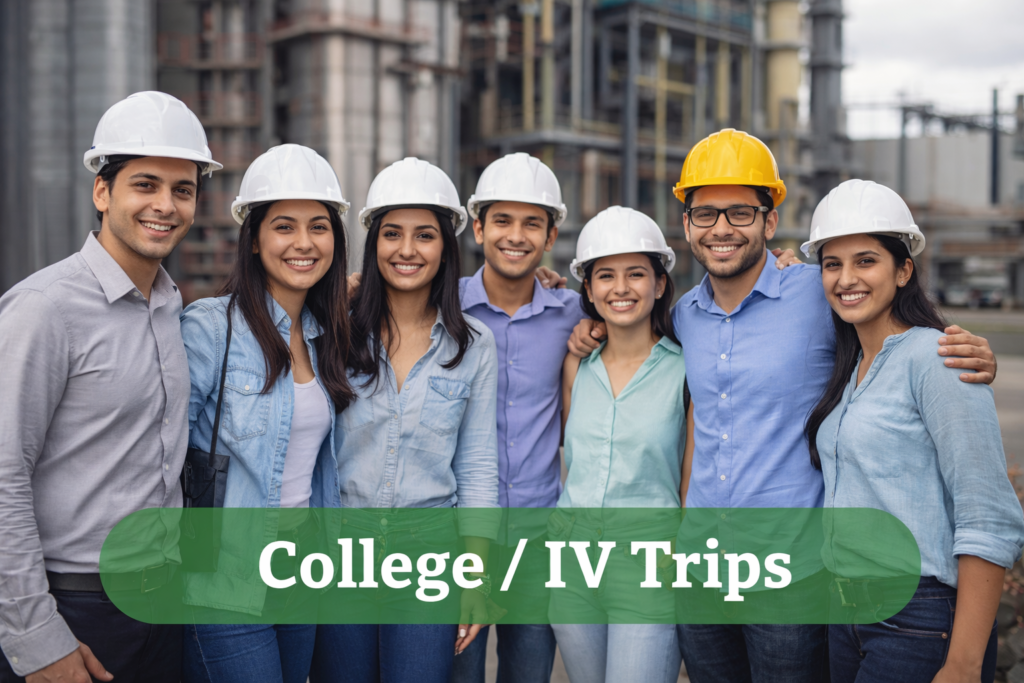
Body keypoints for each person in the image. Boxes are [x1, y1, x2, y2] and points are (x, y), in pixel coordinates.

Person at [565, 129, 999, 683]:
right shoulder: (681, 321)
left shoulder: (815, 295)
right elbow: (629, 330)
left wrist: (971, 351)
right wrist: (583, 323)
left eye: (741, 212)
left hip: (789, 578)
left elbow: (887, 320)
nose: (722, 228)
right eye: (705, 214)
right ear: (687, 227)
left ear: (770, 222)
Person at [0, 92, 221, 683]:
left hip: (163, 604)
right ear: (103, 192)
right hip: (75, 606)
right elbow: (3, 476)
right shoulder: (45, 309)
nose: (165, 206)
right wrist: (37, 639)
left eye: (183, 189)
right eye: (145, 185)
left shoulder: (171, 308)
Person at [801, 180, 1024, 683]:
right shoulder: (853, 365)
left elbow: (989, 517)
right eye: (831, 264)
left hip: (918, 621)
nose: (845, 278)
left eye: (865, 261)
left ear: (904, 270)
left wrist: (964, 665)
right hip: (847, 615)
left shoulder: (937, 359)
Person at [310, 157, 499, 683]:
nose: (408, 250)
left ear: (446, 248)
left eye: (424, 236)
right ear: (373, 245)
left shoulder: (475, 346)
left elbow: (479, 469)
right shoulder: (333, 332)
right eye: (392, 234)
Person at [178, 144, 353, 683]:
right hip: (225, 579)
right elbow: (157, 459)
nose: (304, 243)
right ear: (253, 239)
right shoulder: (210, 329)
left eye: (318, 227)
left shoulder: (328, 336)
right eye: (284, 226)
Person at [449, 152, 580, 683]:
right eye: (502, 220)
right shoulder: (444, 307)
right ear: (478, 227)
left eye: (532, 223)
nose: (516, 235)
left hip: (537, 535)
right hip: (457, 534)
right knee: (455, 674)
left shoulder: (575, 314)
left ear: (550, 237)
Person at [550, 206, 687, 683]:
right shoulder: (576, 365)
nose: (621, 288)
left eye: (636, 274)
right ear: (588, 289)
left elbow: (691, 475)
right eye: (605, 276)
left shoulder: (686, 369)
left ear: (661, 283)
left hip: (650, 565)